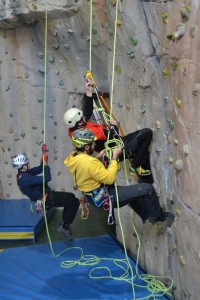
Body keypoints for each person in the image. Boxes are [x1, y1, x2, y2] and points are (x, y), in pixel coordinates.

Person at [64, 128, 175, 228]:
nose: (95, 145)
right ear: (86, 147)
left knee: (133, 196)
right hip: (106, 196)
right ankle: (157, 216)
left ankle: (146, 215)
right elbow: (109, 178)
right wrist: (114, 158)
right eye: (93, 144)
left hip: (94, 197)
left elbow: (84, 166)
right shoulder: (89, 162)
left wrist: (98, 157)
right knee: (147, 189)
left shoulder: (73, 157)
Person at [63, 78, 154, 183]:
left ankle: (145, 177)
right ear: (78, 124)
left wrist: (88, 91)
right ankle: (136, 166)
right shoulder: (89, 134)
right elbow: (112, 135)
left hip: (117, 144)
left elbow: (87, 113)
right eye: (82, 118)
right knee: (147, 133)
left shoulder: (74, 131)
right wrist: (113, 125)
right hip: (116, 150)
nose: (84, 118)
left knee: (142, 148)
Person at [12, 145, 80, 240]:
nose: (29, 164)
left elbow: (40, 168)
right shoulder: (24, 179)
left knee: (71, 196)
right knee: (74, 201)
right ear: (24, 165)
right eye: (27, 163)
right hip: (46, 200)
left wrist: (43, 154)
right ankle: (64, 226)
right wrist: (46, 164)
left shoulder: (23, 174)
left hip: (47, 195)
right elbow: (47, 178)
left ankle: (65, 222)